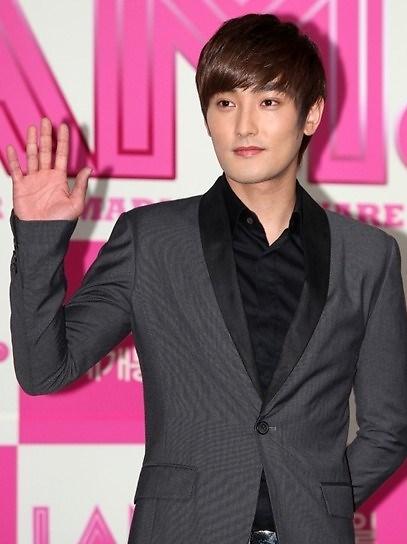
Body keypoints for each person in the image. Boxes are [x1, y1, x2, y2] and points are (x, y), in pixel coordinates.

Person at [6, 12, 407, 544]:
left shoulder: (368, 256)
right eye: (225, 103)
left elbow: (389, 426)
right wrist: (39, 238)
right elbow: (43, 370)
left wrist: (315, 503)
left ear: (310, 114)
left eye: (268, 102)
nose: (244, 126)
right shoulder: (151, 240)